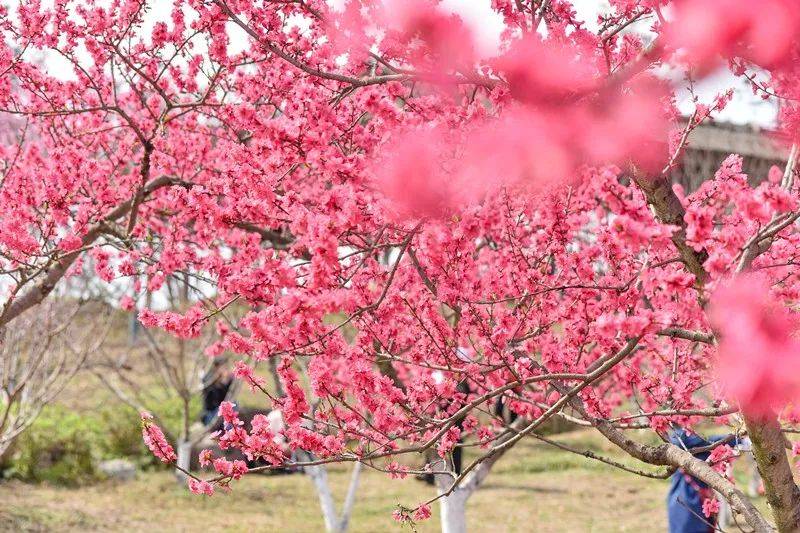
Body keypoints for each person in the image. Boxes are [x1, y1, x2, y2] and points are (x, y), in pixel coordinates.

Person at [200, 358, 232, 426]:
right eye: (223, 367)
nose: (225, 369)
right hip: (210, 413)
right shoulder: (209, 378)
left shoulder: (226, 380)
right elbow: (211, 394)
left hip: (219, 413)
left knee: (235, 404)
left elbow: (225, 398)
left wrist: (226, 382)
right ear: (217, 367)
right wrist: (220, 381)